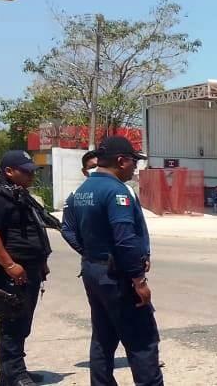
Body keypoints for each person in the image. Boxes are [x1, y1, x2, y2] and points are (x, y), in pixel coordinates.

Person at [71, 136, 163, 386]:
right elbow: (125, 240)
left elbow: (70, 229)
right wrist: (139, 279)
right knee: (142, 341)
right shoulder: (116, 192)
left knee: (103, 338)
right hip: (117, 277)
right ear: (121, 161)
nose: (135, 167)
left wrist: (93, 253)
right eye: (133, 161)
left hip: (94, 271)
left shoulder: (83, 190)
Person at [0, 151, 59, 386]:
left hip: (28, 269)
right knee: (12, 321)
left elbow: (35, 230)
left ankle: (12, 372)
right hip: (8, 272)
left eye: (32, 170)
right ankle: (14, 374)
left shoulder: (20, 195)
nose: (32, 174)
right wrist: (10, 264)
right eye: (26, 170)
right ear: (9, 171)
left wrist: (41, 261)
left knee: (22, 321)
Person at [61, 151, 101, 254]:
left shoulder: (120, 190)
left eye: (100, 166)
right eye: (93, 166)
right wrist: (86, 252)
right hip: (95, 263)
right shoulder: (74, 197)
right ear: (84, 171)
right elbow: (67, 230)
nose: (97, 169)